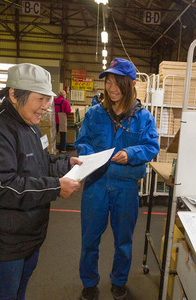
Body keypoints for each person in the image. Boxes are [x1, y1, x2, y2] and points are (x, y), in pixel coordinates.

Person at [0, 63, 81, 300]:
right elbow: (1, 186)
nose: (46, 106)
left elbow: (40, 162)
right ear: (14, 94)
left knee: (18, 292)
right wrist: (56, 187)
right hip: (4, 240)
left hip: (28, 233)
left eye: (48, 99)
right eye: (40, 99)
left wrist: (66, 164)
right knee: (3, 295)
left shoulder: (29, 126)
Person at [74, 58, 159, 300]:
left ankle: (119, 280)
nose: (111, 88)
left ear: (130, 84)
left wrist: (131, 153)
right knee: (89, 239)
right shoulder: (94, 114)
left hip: (126, 186)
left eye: (117, 82)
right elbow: (81, 142)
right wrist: (92, 156)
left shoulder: (144, 118)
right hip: (96, 185)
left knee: (124, 240)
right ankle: (89, 282)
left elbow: (152, 146)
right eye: (108, 82)